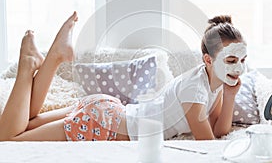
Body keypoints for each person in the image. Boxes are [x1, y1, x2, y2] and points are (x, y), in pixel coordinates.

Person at [0, 13, 247, 141]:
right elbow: (208, 141)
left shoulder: (211, 83)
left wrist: (229, 94)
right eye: (231, 61)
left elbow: (220, 129)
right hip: (105, 124)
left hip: (108, 110)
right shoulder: (195, 91)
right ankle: (28, 65)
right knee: (9, 140)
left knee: (26, 124)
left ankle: (54, 57)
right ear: (208, 60)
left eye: (242, 60)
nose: (238, 68)